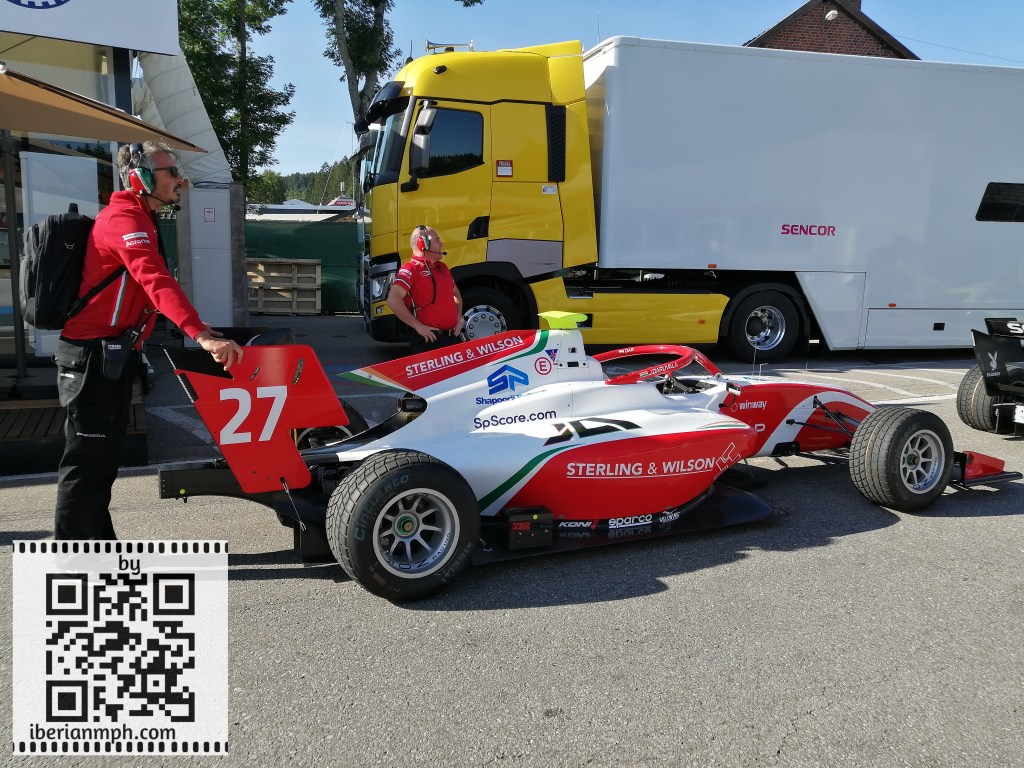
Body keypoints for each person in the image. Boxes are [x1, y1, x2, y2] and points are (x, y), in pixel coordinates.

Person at [53, 140, 243, 540]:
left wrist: (195, 326)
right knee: (87, 464)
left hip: (107, 356)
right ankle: (74, 560)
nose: (180, 180)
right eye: (171, 172)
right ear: (140, 178)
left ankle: (97, 550)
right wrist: (200, 335)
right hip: (91, 358)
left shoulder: (139, 217)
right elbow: (154, 280)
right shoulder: (125, 218)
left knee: (101, 462)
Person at [385, 225, 463, 353]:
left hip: (451, 338)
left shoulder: (443, 268)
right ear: (423, 244)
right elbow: (393, 300)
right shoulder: (411, 269)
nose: (441, 244)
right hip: (428, 341)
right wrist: (418, 327)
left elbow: (456, 294)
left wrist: (459, 318)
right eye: (437, 240)